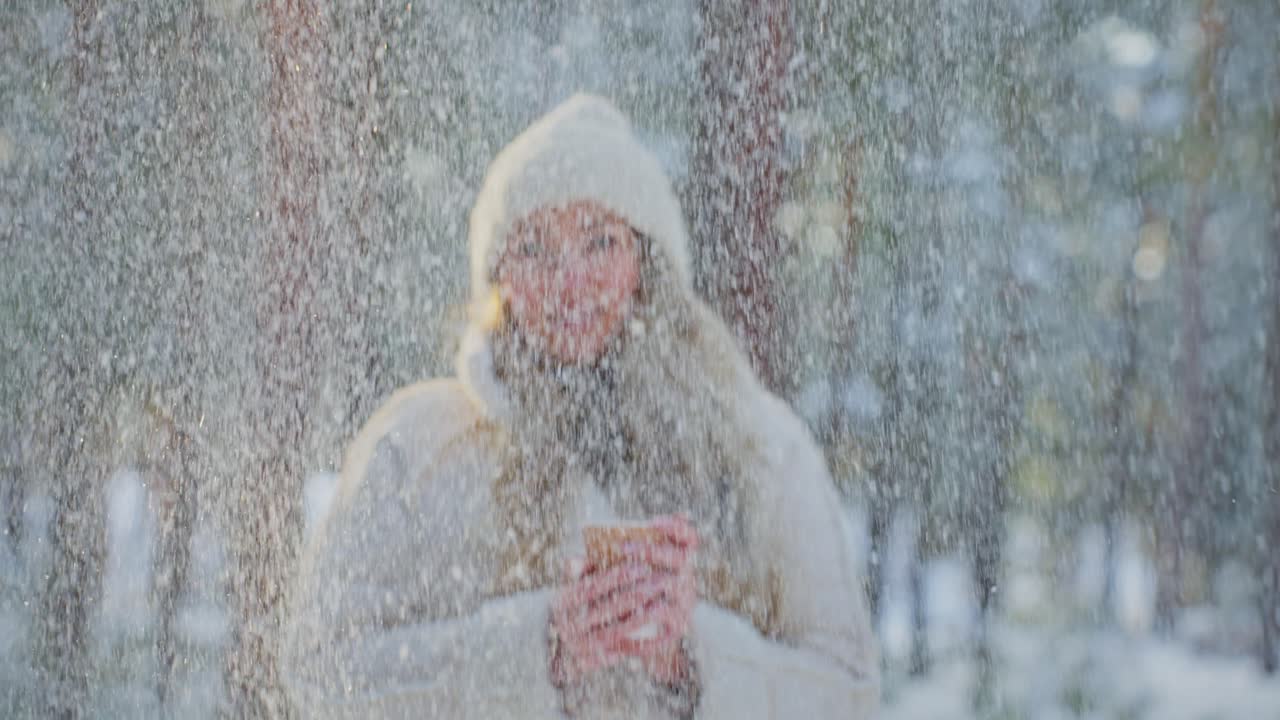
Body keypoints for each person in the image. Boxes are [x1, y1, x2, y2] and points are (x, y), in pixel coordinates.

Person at [282, 93, 879, 719]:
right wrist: (535, 649)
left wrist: (692, 658)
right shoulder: (418, 444)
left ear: (646, 263)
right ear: (498, 276)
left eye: (599, 242)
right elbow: (320, 672)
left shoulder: (760, 445)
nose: (570, 280)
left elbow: (851, 694)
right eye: (535, 247)